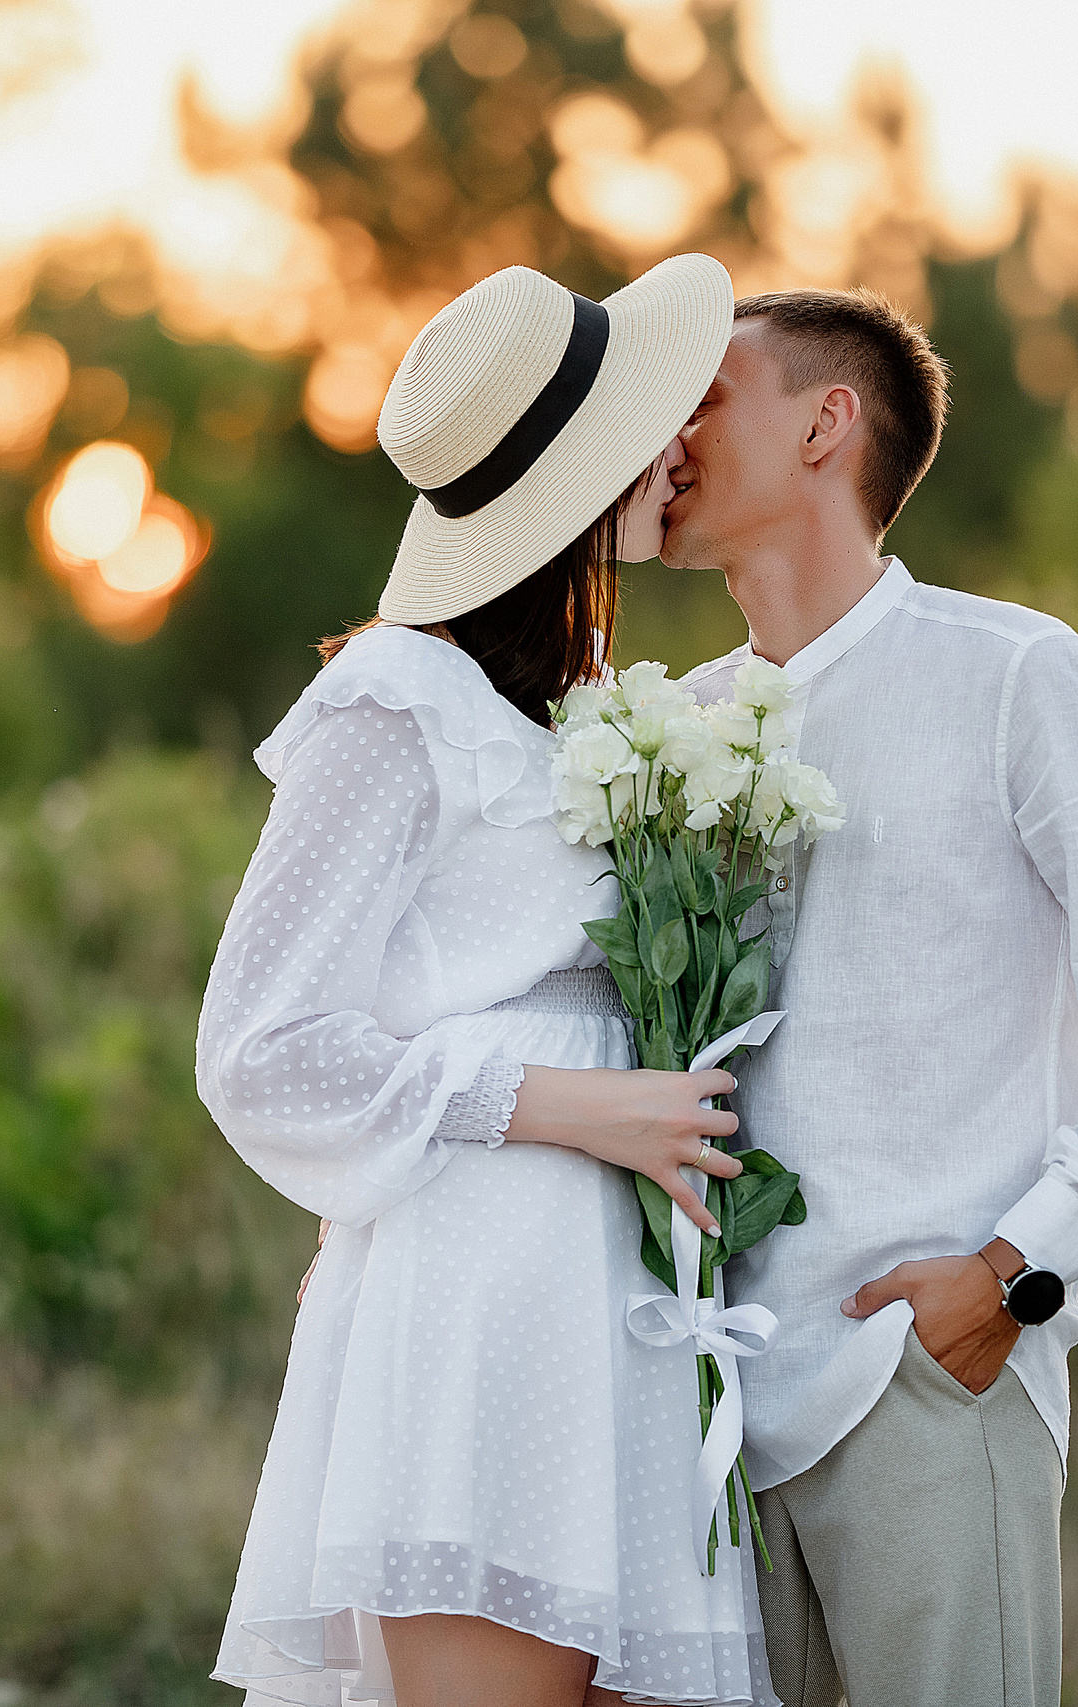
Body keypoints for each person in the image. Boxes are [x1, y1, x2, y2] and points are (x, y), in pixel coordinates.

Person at [198, 255, 783, 1707]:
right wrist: (568, 1104)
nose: (680, 447)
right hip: (488, 1308)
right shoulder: (394, 702)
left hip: (628, 1309)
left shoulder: (570, 717)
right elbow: (260, 1048)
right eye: (652, 421)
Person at [664, 289, 1078, 1707]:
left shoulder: (1019, 680)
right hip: (705, 1417)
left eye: (708, 397)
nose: (669, 437)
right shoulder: (668, 727)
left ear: (825, 422)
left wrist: (1012, 1281)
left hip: (922, 1380)